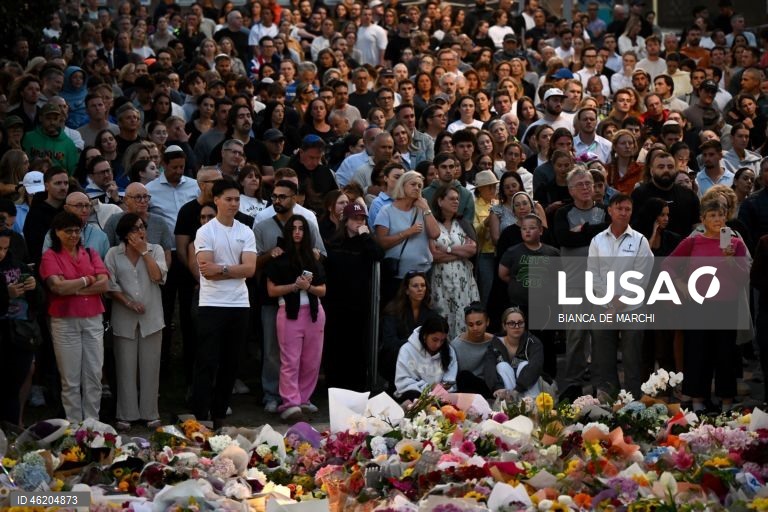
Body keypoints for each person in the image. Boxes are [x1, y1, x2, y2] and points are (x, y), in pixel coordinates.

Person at [667, 199, 748, 413]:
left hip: (726, 305)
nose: (717, 219)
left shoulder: (735, 243)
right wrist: (680, 284)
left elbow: (743, 278)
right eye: (712, 215)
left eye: (720, 215)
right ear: (703, 219)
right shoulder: (693, 242)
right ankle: (697, 399)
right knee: (697, 352)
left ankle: (727, 400)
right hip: (698, 305)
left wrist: (730, 260)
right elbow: (668, 264)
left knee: (726, 354)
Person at [192, 180, 257, 428]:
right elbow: (206, 271)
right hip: (212, 304)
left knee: (231, 363)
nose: (233, 204)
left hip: (239, 304)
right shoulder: (205, 232)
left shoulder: (245, 231)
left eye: (237, 199)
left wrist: (223, 268)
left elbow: (250, 269)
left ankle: (219, 413)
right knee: (207, 361)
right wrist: (233, 269)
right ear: (216, 200)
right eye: (229, 199)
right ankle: (201, 415)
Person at [39, 211, 109, 423]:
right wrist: (89, 280)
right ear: (57, 233)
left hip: (93, 318)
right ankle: (74, 427)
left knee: (94, 375)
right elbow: (57, 287)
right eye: (68, 231)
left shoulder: (90, 252)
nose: (73, 235)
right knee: (70, 379)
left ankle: (92, 424)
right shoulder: (50, 256)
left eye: (77, 230)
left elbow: (104, 284)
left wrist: (75, 287)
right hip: (65, 320)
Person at [587, 194, 654, 398]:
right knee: (604, 358)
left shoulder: (640, 240)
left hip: (632, 308)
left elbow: (641, 278)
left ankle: (633, 401)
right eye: (619, 208)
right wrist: (609, 303)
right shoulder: (598, 240)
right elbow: (593, 274)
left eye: (627, 209)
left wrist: (617, 305)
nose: (623, 213)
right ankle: (610, 401)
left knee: (632, 358)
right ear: (610, 210)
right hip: (603, 306)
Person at [105, 213, 167, 431]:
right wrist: (128, 303)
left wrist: (144, 252)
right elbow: (110, 285)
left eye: (142, 227)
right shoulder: (113, 253)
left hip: (152, 319)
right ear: (124, 234)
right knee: (125, 367)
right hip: (124, 318)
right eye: (134, 229)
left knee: (151, 368)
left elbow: (159, 277)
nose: (140, 232)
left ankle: (151, 412)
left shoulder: (156, 249)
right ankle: (126, 413)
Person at [265, 215, 326, 422]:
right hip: (289, 312)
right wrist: (294, 287)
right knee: (290, 360)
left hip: (314, 312)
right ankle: (290, 402)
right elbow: (271, 290)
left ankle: (303, 399)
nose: (298, 232)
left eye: (301, 228)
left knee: (311, 360)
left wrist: (308, 287)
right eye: (294, 228)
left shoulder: (313, 258)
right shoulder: (279, 259)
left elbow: (323, 290)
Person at [324, 202, 383, 391]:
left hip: (359, 303)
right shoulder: (334, 242)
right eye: (355, 219)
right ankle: (334, 384)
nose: (358, 222)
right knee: (335, 344)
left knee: (357, 345)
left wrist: (365, 236)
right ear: (346, 220)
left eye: (362, 219)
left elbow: (378, 255)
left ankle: (356, 385)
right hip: (335, 302)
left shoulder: (366, 243)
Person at [498, 213, 560, 377]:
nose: (527, 231)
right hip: (521, 306)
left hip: (545, 306)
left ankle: (548, 377)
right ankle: (523, 375)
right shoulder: (513, 252)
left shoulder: (552, 252)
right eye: (524, 229)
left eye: (532, 228)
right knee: (523, 341)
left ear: (540, 230)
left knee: (546, 342)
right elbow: (503, 274)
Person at [374, 171, 440, 305]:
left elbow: (435, 234)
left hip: (422, 274)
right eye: (413, 184)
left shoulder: (422, 210)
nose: (417, 188)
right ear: (402, 186)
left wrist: (426, 208)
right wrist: (407, 232)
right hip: (397, 276)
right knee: (395, 313)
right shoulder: (386, 210)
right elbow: (382, 243)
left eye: (420, 186)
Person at [428, 184, 480, 337]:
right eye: (451, 199)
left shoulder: (463, 223)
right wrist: (460, 253)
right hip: (440, 280)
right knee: (443, 316)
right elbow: (433, 255)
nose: (456, 202)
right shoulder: (433, 225)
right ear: (440, 201)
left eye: (457, 199)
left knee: (464, 317)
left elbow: (472, 249)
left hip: (464, 280)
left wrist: (448, 250)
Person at [0, 228, 38, 426]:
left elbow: (38, 301)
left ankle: (12, 435)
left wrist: (33, 286)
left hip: (19, 334)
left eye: (6, 248)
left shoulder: (18, 265)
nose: (2, 253)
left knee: (13, 389)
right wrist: (6, 294)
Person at [394, 315, 457, 402]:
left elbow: (450, 381)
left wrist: (442, 387)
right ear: (425, 335)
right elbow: (403, 383)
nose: (438, 344)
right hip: (413, 395)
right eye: (434, 340)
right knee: (413, 396)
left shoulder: (449, 351)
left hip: (440, 396)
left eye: (442, 341)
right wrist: (429, 387)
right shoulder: (407, 350)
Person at [488, 307, 545, 398]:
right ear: (504, 326)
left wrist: (518, 389)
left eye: (520, 323)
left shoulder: (533, 342)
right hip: (507, 389)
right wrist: (496, 387)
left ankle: (532, 406)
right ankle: (510, 404)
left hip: (529, 386)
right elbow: (489, 367)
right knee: (502, 366)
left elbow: (535, 367)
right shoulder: (495, 343)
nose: (517, 326)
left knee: (524, 365)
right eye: (511, 323)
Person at [451, 302, 499, 397]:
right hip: (466, 389)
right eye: (471, 325)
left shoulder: (495, 342)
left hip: (489, 386)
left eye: (479, 323)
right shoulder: (456, 345)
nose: (475, 328)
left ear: (487, 322)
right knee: (464, 376)